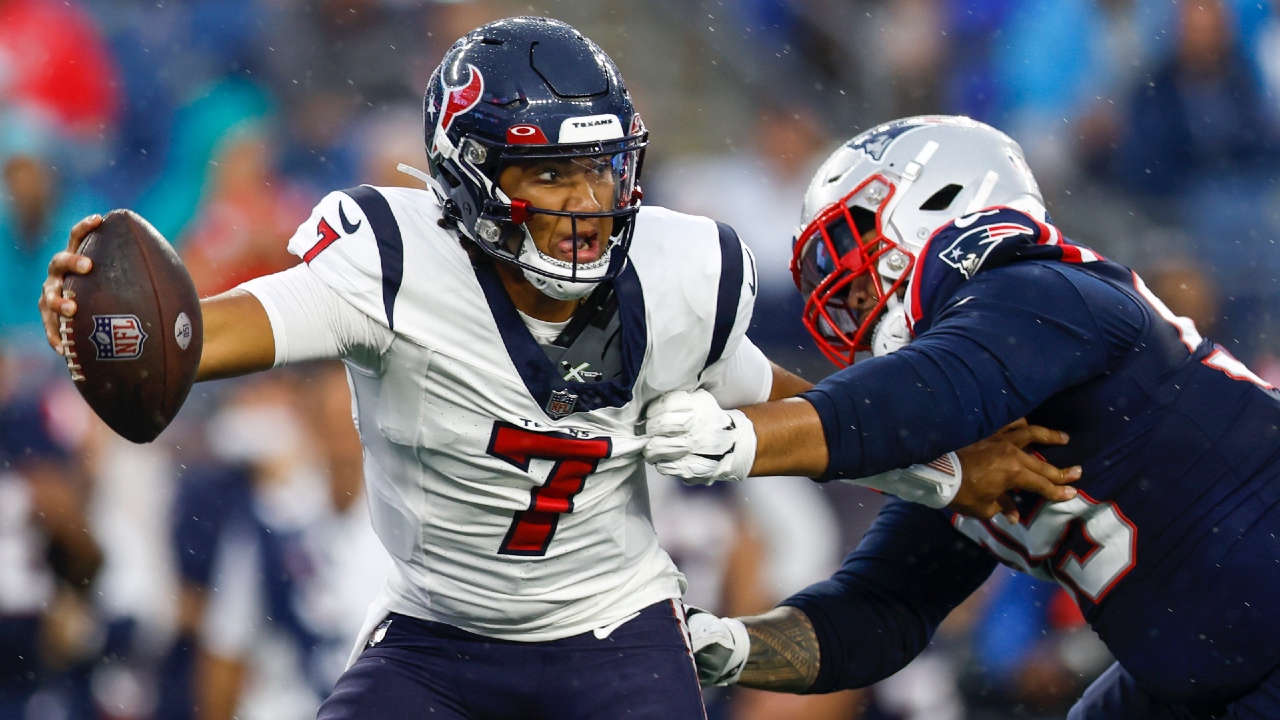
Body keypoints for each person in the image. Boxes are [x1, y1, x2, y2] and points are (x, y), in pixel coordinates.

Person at [38, 19, 1071, 718]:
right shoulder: (389, 265)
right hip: (437, 641)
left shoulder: (676, 270)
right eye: (547, 169)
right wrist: (109, 330)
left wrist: (939, 472)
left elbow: (801, 415)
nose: (584, 200)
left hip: (612, 644)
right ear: (468, 179)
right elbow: (193, 337)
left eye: (599, 164)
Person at [644, 115, 1280, 719]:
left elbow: (916, 399)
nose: (851, 293)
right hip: (1212, 651)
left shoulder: (1042, 289)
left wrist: (735, 438)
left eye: (856, 243)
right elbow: (875, 615)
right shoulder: (957, 447)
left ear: (938, 203)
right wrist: (710, 644)